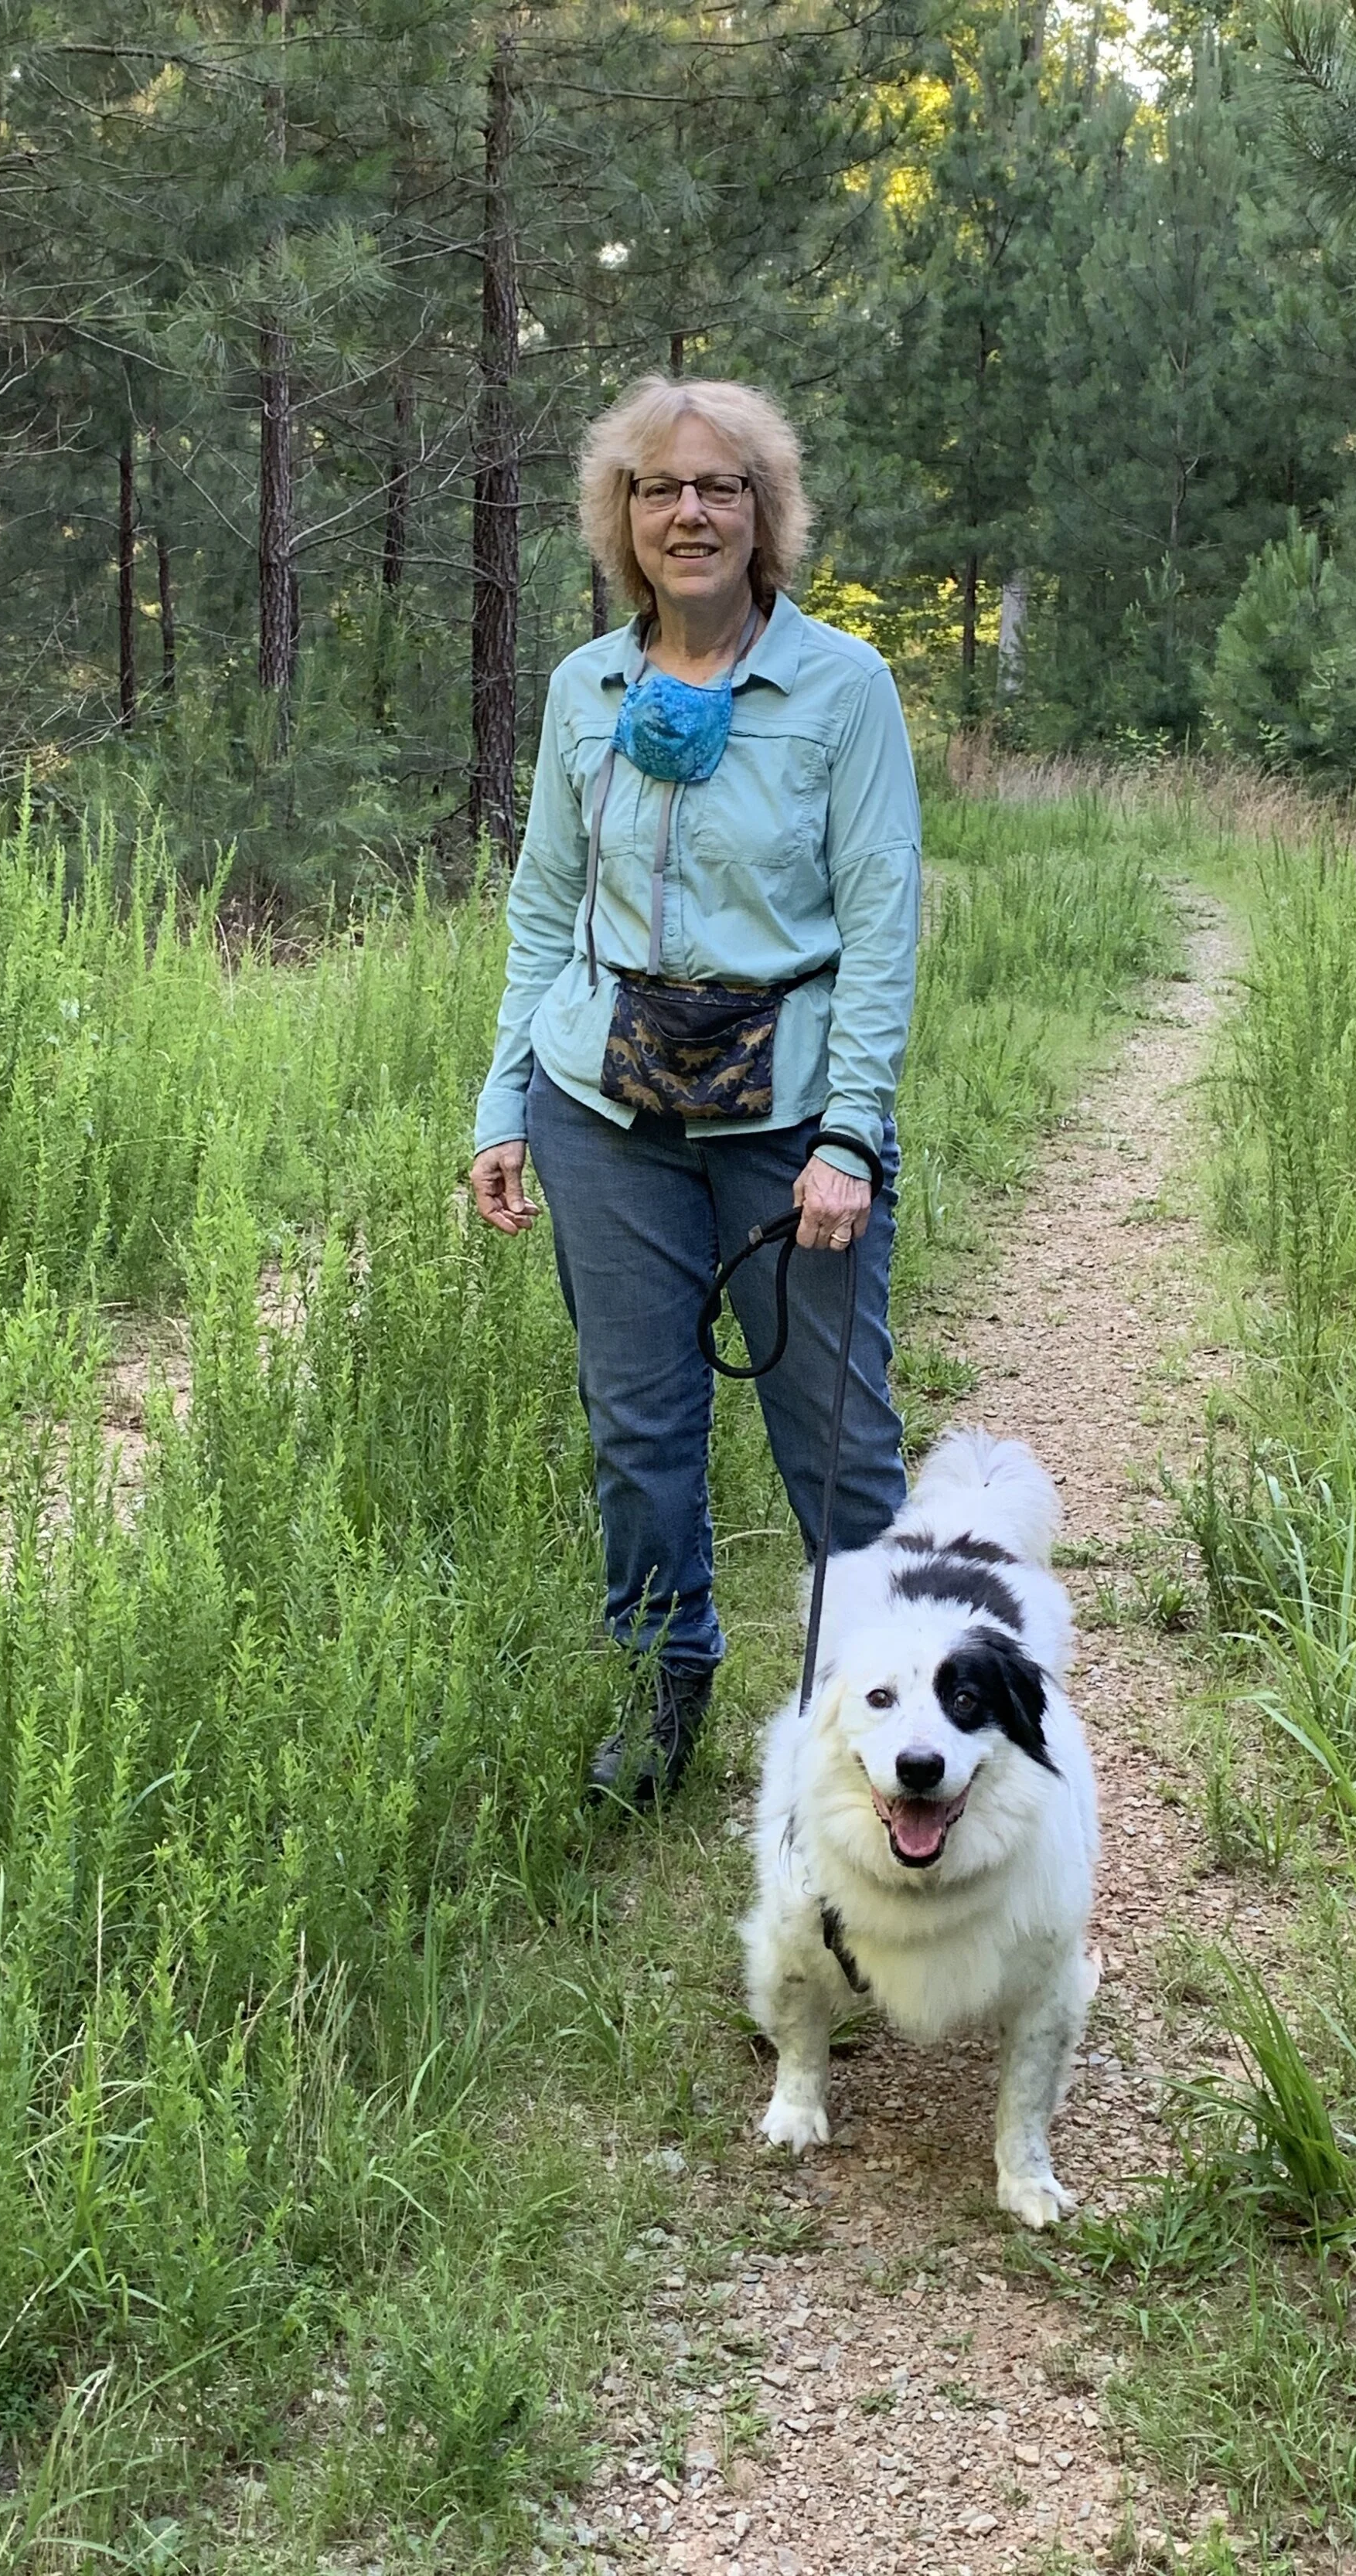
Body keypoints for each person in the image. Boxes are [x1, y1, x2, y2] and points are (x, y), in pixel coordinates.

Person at [468, 374, 922, 1804]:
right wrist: (500, 1107)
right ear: (623, 517)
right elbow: (547, 912)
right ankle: (663, 1701)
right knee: (640, 1430)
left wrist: (850, 1132)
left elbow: (883, 927)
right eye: (660, 488)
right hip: (601, 1113)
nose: (690, 511)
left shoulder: (845, 690)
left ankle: (889, 1728)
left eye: (720, 486)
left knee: (836, 1443)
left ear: (764, 515)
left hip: (791, 1125)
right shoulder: (583, 692)